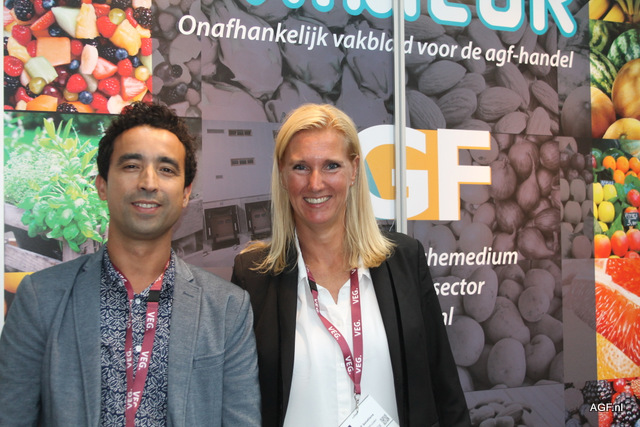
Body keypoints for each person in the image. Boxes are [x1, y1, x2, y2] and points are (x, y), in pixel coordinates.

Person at [0, 103, 261, 426]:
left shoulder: (227, 308)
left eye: (166, 169)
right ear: (102, 185)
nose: (149, 182)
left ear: (186, 193)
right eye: (132, 166)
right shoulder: (41, 298)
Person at [231, 104, 470, 427]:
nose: (316, 183)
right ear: (283, 174)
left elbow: (446, 391)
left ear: (354, 170)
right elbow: (236, 404)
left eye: (331, 165)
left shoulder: (405, 260)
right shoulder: (253, 276)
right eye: (301, 167)